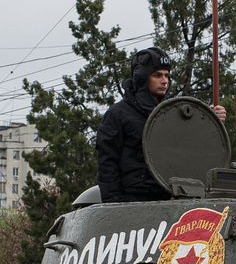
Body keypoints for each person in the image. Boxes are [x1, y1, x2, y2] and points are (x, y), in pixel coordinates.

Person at [95, 47, 227, 203]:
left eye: (167, 76)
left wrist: (208, 120)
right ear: (142, 78)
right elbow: (107, 164)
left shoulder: (171, 114)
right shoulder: (118, 114)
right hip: (132, 200)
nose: (164, 81)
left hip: (170, 197)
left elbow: (189, 150)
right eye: (157, 75)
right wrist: (113, 205)